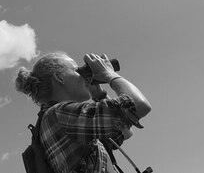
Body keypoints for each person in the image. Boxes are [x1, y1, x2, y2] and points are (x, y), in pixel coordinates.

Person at [15, 52, 151, 173]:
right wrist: (108, 73)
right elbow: (139, 105)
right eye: (77, 71)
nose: (83, 77)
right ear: (59, 78)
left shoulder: (63, 122)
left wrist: (98, 93)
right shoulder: (58, 115)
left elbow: (125, 131)